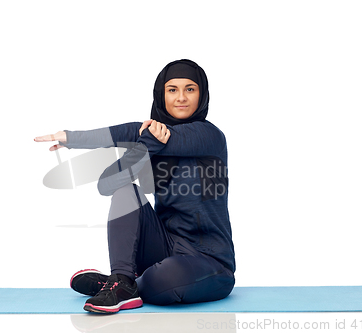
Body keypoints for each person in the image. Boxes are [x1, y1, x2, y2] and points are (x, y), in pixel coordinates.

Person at [34, 59, 235, 314]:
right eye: (172, 89)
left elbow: (142, 135)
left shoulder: (209, 137)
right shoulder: (153, 135)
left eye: (190, 89)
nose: (181, 97)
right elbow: (108, 183)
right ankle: (122, 281)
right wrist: (72, 138)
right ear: (161, 94)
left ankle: (121, 283)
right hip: (163, 246)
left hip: (210, 263)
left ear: (202, 94)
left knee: (164, 281)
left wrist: (147, 141)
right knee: (124, 189)